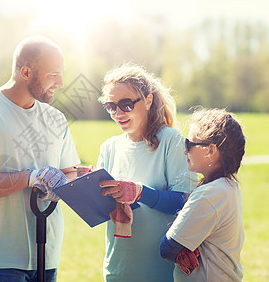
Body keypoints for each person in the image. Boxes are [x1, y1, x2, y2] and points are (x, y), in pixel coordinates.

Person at [0, 35, 80, 282]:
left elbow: (69, 171)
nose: (61, 83)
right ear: (26, 72)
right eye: (53, 75)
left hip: (47, 255)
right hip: (0, 259)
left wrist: (63, 184)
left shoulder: (56, 118)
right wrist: (29, 178)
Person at [95, 63, 196, 281]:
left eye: (126, 104)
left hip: (162, 272)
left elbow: (187, 204)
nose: (118, 113)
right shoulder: (109, 147)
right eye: (111, 106)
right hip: (118, 270)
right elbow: (99, 209)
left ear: (148, 100)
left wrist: (140, 193)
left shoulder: (172, 141)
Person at [160, 108, 245, 281]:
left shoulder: (208, 195)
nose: (185, 151)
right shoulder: (228, 186)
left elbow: (167, 249)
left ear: (210, 151)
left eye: (189, 144)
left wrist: (181, 248)